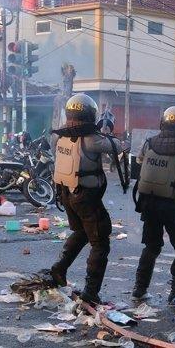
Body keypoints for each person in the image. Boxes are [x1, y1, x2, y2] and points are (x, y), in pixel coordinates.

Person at [50, 94, 121, 305]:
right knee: (100, 243)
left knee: (81, 232)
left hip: (66, 194)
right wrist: (108, 131)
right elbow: (116, 146)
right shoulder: (91, 139)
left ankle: (58, 269)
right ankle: (91, 292)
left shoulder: (60, 136)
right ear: (90, 114)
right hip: (86, 197)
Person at [132, 106, 175, 304]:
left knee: (151, 246)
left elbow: (139, 161)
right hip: (171, 205)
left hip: (148, 202)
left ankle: (139, 289)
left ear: (163, 123)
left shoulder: (150, 143)